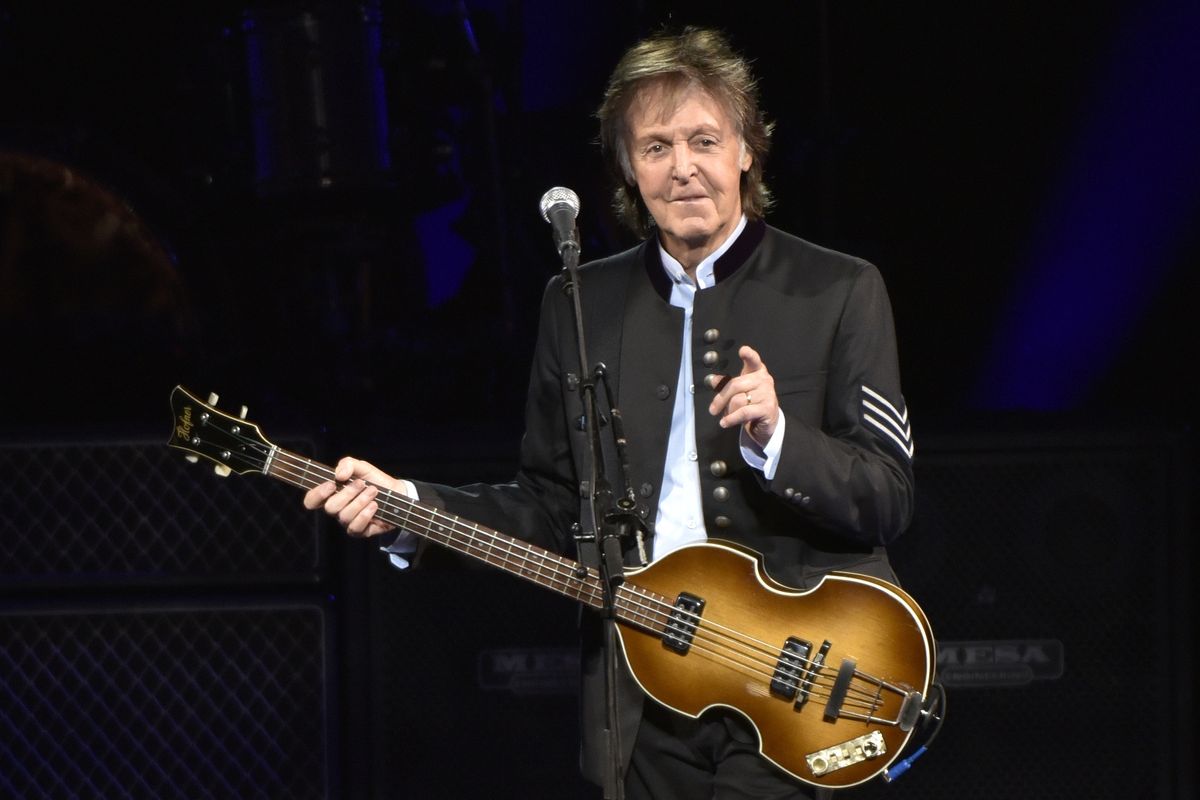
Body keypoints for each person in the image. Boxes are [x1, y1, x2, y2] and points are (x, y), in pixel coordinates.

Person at [304, 26, 915, 800]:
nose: (683, 167)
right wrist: (414, 511)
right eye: (656, 147)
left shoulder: (840, 289)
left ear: (746, 151)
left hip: (797, 685)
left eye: (704, 139)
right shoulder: (580, 301)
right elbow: (554, 506)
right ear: (628, 167)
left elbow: (888, 497)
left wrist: (779, 437)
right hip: (642, 696)